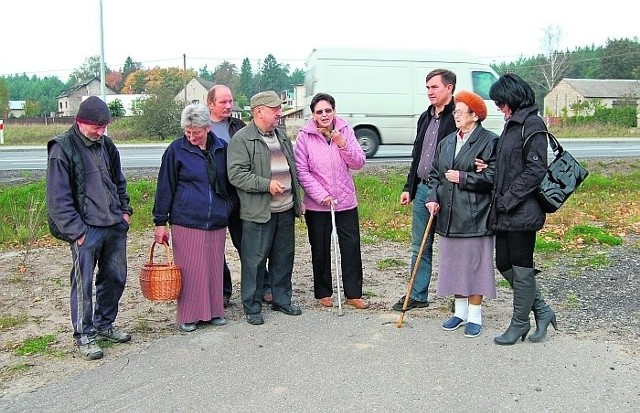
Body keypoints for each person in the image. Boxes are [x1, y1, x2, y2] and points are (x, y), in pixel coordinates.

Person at [46, 96, 133, 360]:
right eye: (97, 127)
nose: (101, 132)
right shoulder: (62, 149)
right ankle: (84, 335)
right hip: (86, 230)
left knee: (115, 277)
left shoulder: (107, 145)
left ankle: (105, 325)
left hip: (113, 225)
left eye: (104, 127)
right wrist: (77, 231)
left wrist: (125, 212)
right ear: (80, 122)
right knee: (83, 285)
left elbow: (119, 180)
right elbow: (57, 199)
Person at [485, 73, 557, 345]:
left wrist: (508, 199)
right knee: (503, 263)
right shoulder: (511, 125)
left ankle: (519, 324)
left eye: (500, 102)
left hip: (522, 210)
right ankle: (541, 309)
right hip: (505, 209)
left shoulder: (532, 124)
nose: (498, 107)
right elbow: (508, 166)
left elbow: (536, 169)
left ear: (512, 98)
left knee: (522, 266)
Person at [153, 103, 236, 332]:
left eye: (196, 133)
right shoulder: (175, 150)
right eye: (187, 132)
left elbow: (231, 184)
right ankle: (189, 315)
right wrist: (160, 221)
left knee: (213, 267)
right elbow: (165, 187)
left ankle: (214, 311)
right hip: (186, 219)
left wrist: (226, 208)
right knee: (189, 270)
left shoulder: (222, 148)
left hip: (216, 219)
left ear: (207, 128)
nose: (191, 137)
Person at [424, 91, 498, 338]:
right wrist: (432, 198)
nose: (455, 114)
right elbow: (435, 174)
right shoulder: (446, 142)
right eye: (455, 110)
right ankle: (459, 312)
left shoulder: (489, 141)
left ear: (475, 116)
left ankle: (475, 315)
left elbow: (494, 176)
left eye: (460, 111)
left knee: (476, 267)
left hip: (476, 216)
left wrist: (465, 178)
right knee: (454, 266)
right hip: (449, 215)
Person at [227, 90, 303, 325]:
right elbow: (236, 175)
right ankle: (252, 306)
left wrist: (299, 201)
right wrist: (266, 185)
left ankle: (282, 299)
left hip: (285, 209)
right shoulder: (242, 139)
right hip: (259, 213)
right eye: (274, 109)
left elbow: (292, 168)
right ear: (258, 111)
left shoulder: (280, 135)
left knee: (283, 258)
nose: (279, 113)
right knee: (254, 261)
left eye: (279, 109)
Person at [294, 92, 369, 310]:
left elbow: (358, 162)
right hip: (319, 204)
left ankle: (353, 293)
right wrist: (320, 195)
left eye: (328, 110)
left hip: (345, 202)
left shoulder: (345, 130)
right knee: (320, 247)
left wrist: (342, 143)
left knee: (351, 246)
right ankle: (323, 292)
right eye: (319, 112)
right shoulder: (304, 137)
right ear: (313, 115)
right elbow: (302, 171)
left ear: (334, 111)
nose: (324, 115)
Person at [392, 69, 458, 311]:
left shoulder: (458, 116)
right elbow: (417, 155)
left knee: (453, 246)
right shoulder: (425, 117)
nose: (429, 92)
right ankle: (417, 295)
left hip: (449, 190)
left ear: (449, 88)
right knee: (419, 245)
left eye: (434, 87)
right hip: (421, 188)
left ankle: (459, 298)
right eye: (428, 87)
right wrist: (409, 186)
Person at [207, 84, 272, 307]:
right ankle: (223, 290)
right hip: (213, 195)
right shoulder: (201, 127)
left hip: (239, 195)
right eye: (223, 102)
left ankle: (263, 286)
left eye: (230, 101)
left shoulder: (238, 126)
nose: (228, 105)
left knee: (247, 244)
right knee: (216, 247)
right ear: (210, 104)